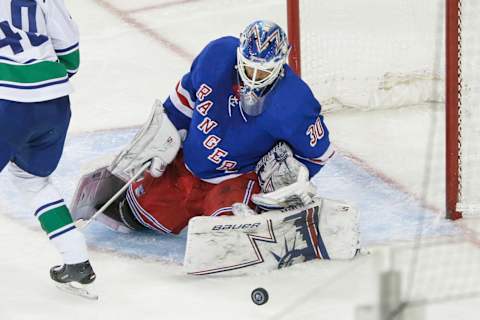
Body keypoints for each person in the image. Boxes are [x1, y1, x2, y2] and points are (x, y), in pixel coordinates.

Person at [103, 20, 335, 234]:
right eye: (249, 67)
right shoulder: (217, 56)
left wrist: (287, 183)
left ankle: (249, 218)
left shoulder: (293, 102)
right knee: (133, 213)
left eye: (263, 71)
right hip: (188, 166)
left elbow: (317, 154)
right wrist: (163, 137)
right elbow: (185, 99)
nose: (253, 77)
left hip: (237, 179)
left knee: (226, 230)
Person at [0, 0, 95, 286]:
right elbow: (69, 48)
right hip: (53, 103)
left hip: (6, 102)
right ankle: (77, 259)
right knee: (32, 180)